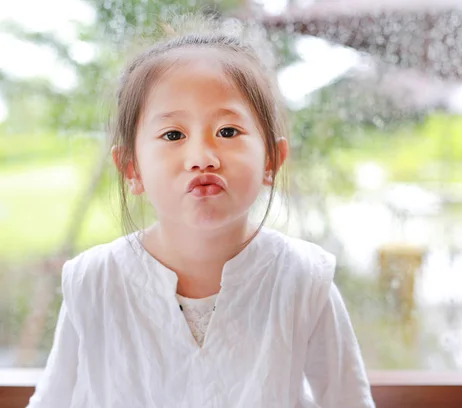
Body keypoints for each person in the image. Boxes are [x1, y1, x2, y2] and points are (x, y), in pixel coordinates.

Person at [27, 18, 375, 408]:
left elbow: (349, 400)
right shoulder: (95, 282)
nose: (202, 158)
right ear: (132, 169)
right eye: (173, 135)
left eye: (227, 131)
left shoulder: (303, 280)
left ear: (271, 160)